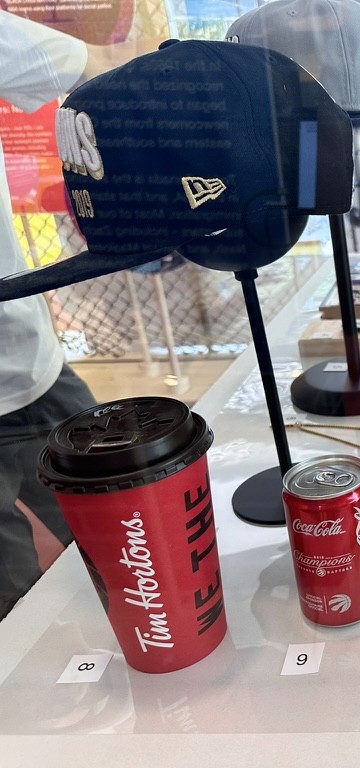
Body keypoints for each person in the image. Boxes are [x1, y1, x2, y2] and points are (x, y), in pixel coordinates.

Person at [0, 11, 154, 618]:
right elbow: (101, 68)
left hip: (24, 354)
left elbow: (89, 69)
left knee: (116, 526)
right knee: (114, 534)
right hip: (21, 349)